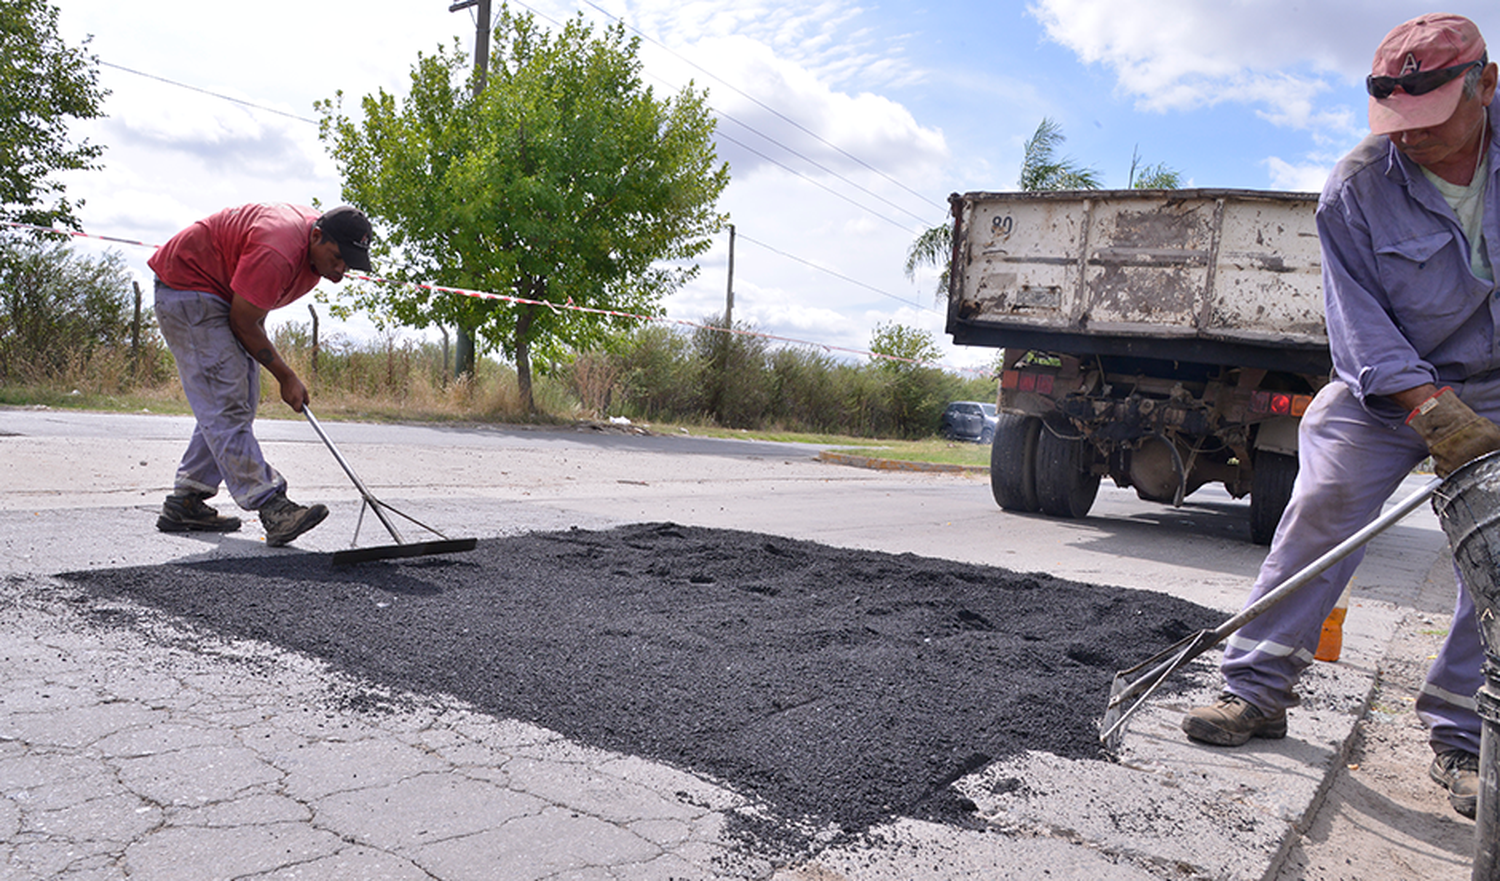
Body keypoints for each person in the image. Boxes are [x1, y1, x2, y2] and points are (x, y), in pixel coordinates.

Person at [1181, 13, 1500, 820]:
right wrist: (1426, 405)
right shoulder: (1357, 185)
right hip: (1387, 386)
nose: (1411, 140)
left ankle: (1465, 733)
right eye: (1396, 124)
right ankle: (1254, 688)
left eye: (1428, 122)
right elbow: (1355, 320)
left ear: (1485, 85)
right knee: (1321, 505)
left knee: (1497, 547)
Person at [149, 203, 373, 547]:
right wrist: (286, 376)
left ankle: (187, 500)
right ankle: (271, 505)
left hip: (219, 293)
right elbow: (243, 320)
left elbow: (253, 308)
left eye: (350, 264)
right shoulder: (278, 250)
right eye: (339, 258)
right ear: (317, 236)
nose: (342, 271)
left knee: (237, 398)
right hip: (189, 287)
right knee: (225, 402)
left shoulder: (309, 254)